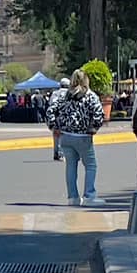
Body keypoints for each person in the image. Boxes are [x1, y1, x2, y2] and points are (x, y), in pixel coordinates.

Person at [48, 69, 106, 204]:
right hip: (83, 136)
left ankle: (72, 197)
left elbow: (51, 110)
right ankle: (89, 196)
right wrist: (94, 128)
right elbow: (99, 113)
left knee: (71, 166)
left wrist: (54, 126)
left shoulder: (64, 96)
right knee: (91, 165)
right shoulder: (90, 96)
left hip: (66, 136)